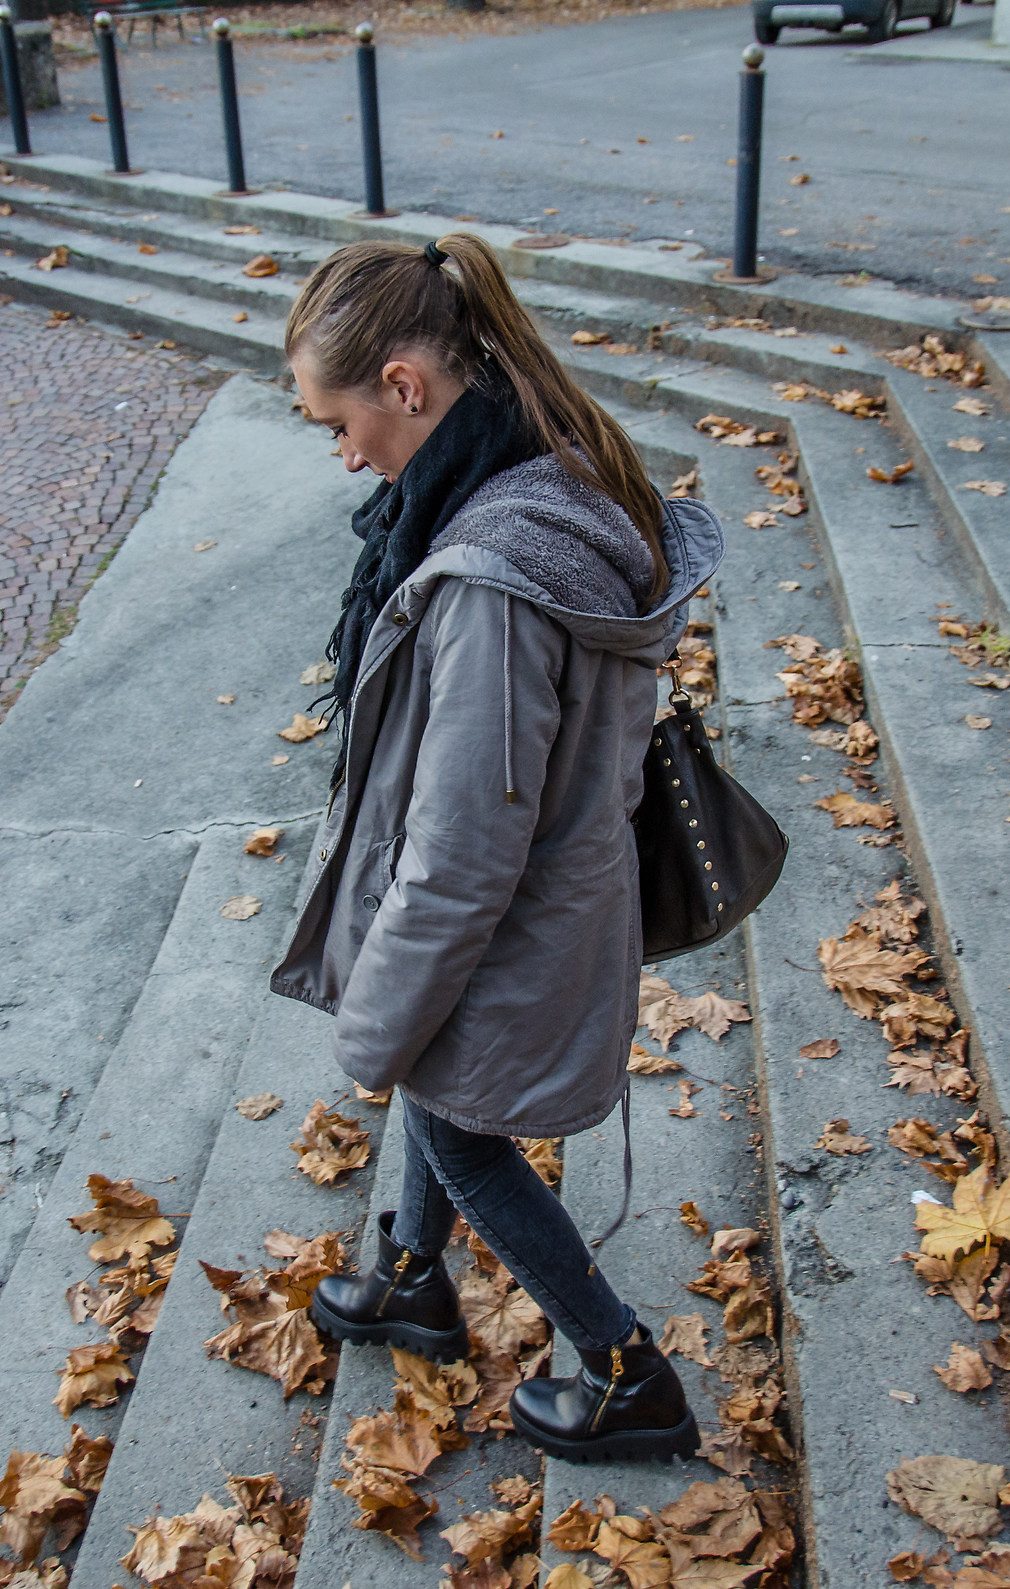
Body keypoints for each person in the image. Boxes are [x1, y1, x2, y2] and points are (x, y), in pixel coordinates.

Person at [268, 233, 723, 1463]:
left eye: (341, 423)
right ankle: (413, 1275)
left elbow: (465, 850)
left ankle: (627, 1373)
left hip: (516, 915)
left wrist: (371, 1023)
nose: (345, 454)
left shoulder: (489, 580)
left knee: (456, 1124)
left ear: (405, 383)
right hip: (556, 885)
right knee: (441, 1089)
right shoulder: (539, 459)